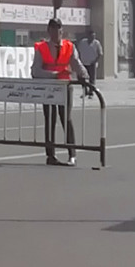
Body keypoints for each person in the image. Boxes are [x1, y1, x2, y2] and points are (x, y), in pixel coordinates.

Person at [31, 18, 84, 166]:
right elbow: (35, 71)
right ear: (49, 31)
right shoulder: (41, 48)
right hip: (48, 88)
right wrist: (54, 74)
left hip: (65, 86)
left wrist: (84, 76)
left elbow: (76, 64)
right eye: (54, 29)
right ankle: (50, 155)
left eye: (59, 29)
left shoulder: (69, 46)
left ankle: (72, 154)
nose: (57, 32)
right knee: (50, 120)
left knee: (66, 118)